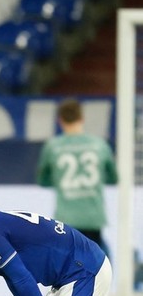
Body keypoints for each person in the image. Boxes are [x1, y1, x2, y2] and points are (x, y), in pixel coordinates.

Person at [36, 97, 118, 252]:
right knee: (94, 266)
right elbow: (113, 177)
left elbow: (43, 180)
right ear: (82, 118)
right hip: (93, 217)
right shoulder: (100, 144)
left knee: (67, 268)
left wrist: (59, 179)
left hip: (66, 218)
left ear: (60, 120)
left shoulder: (52, 146)